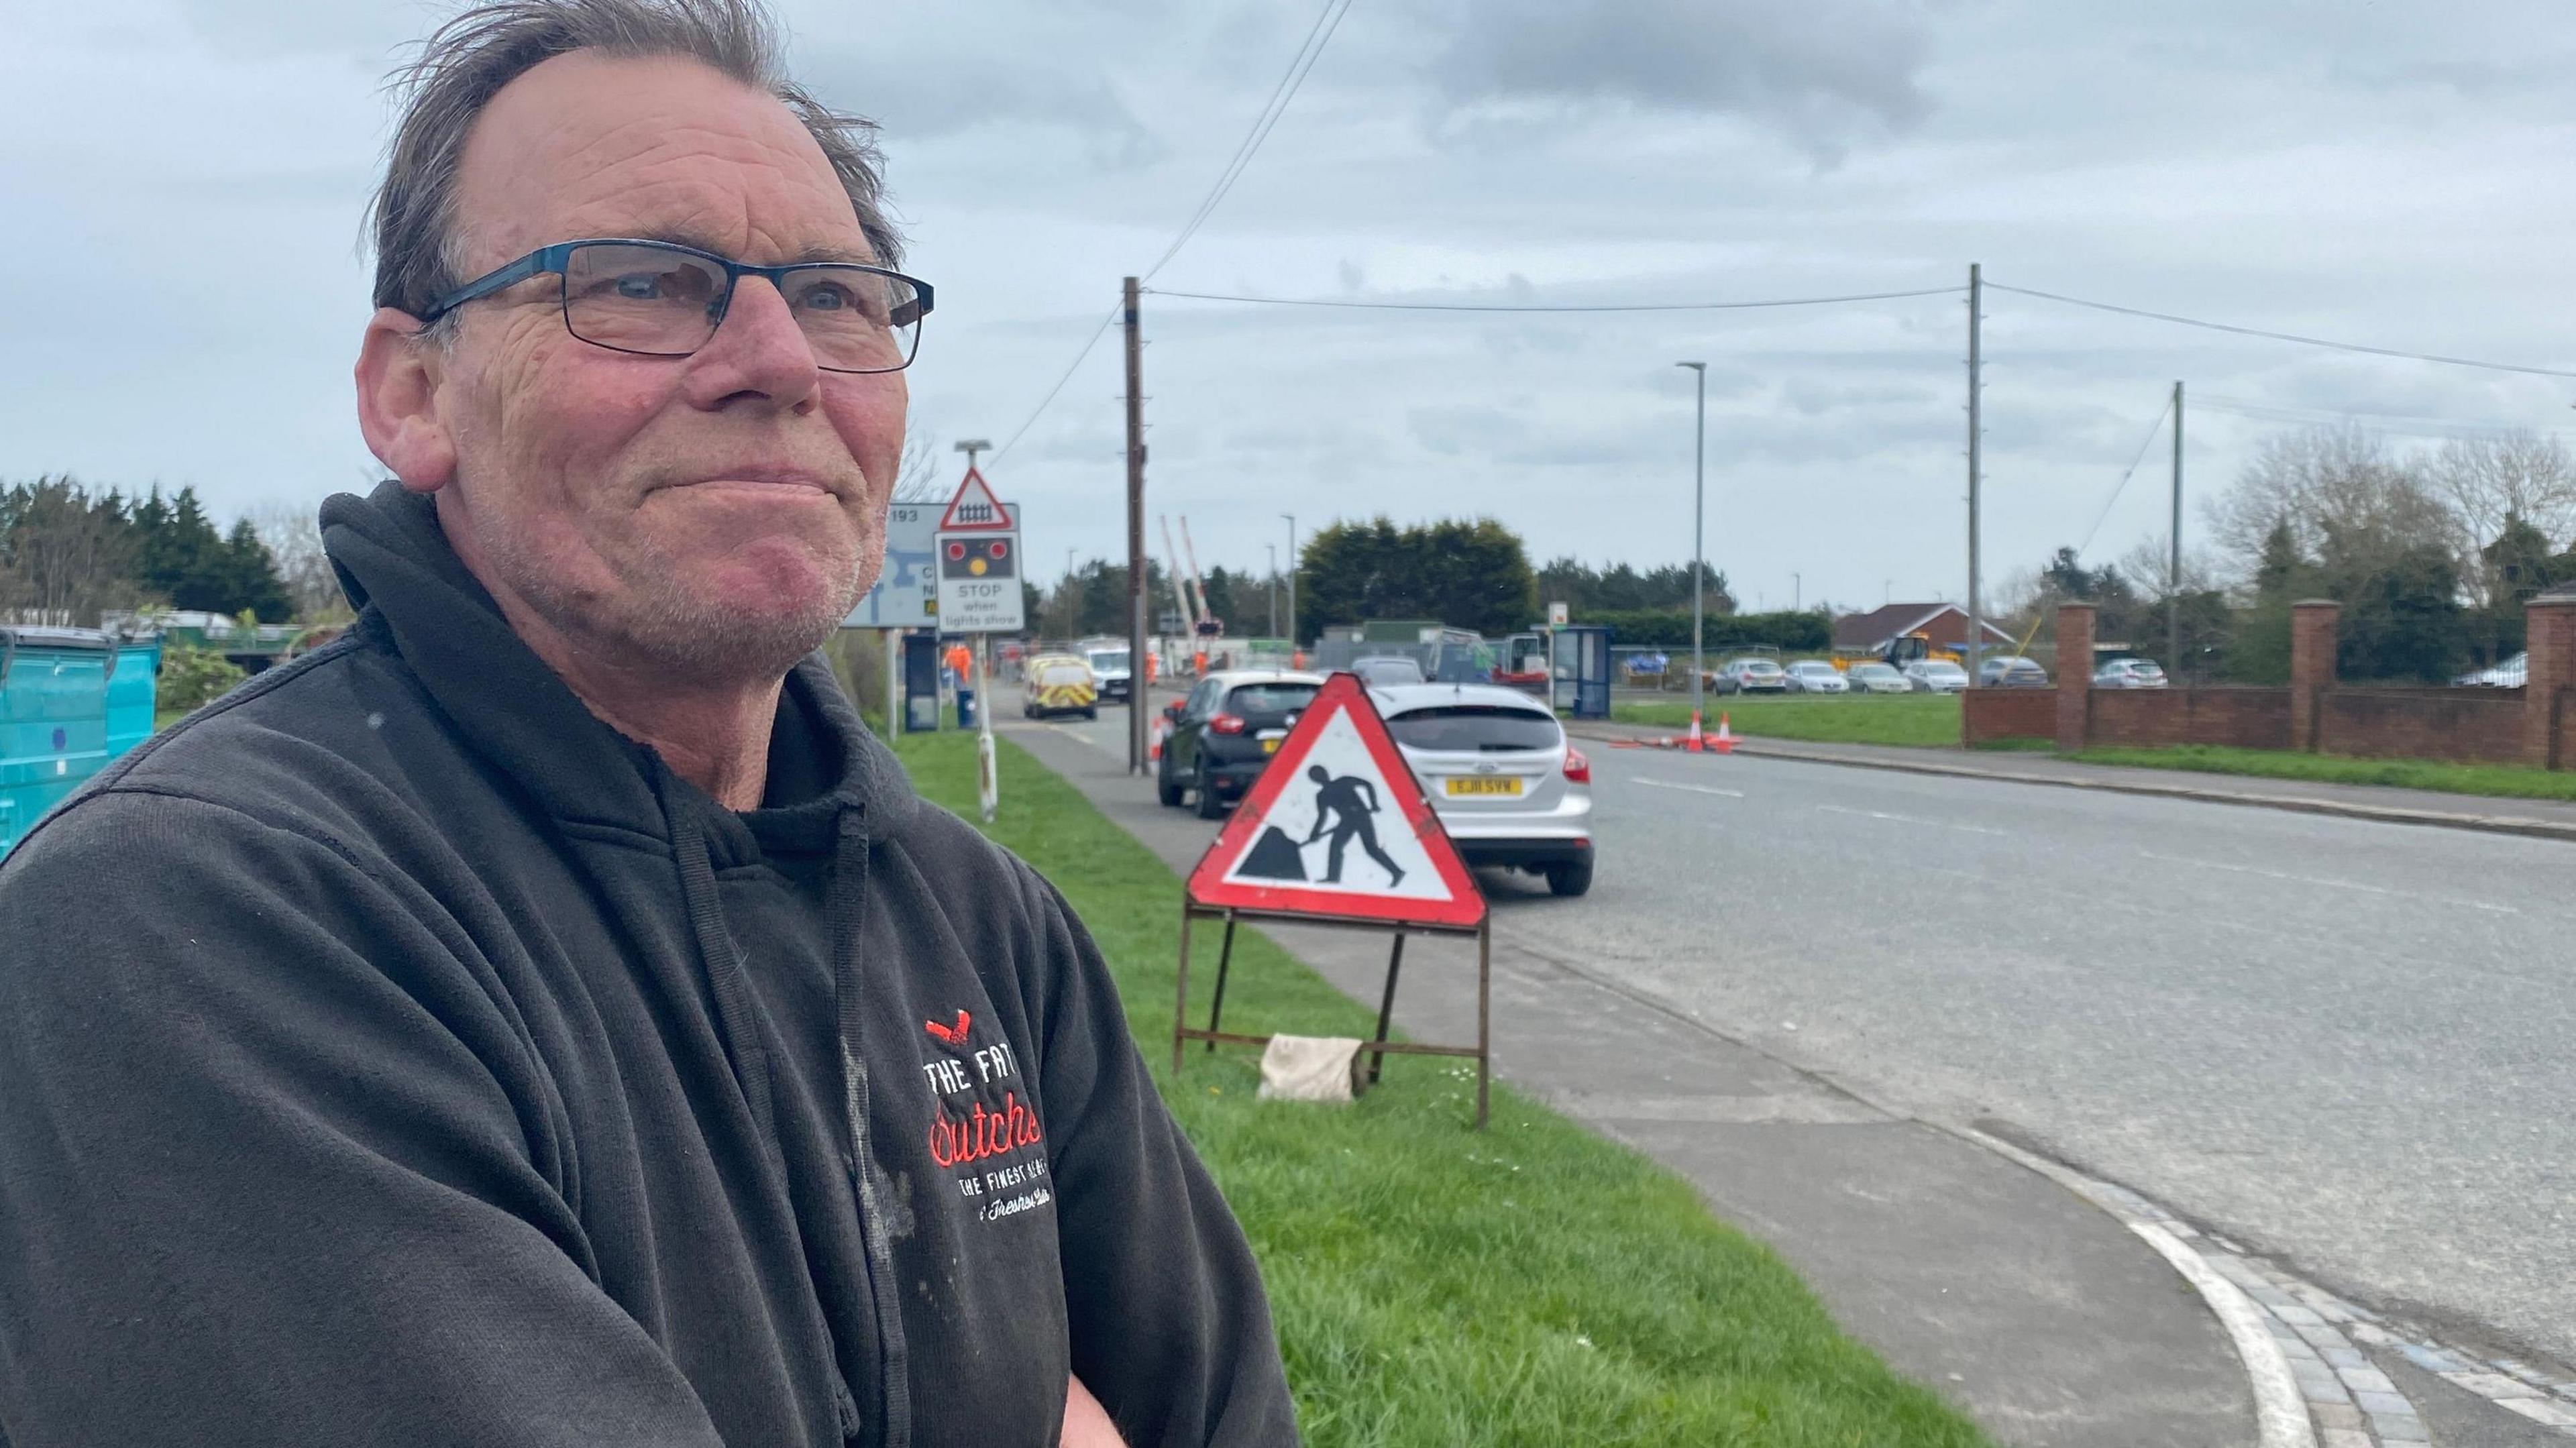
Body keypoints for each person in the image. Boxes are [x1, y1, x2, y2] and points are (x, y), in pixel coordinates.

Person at [0, 3, 1296, 1445]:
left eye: (836, 296)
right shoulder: (198, 920)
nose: (779, 359)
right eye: (639, 282)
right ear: (413, 392)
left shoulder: (981, 922)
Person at [1300, 765, 1404, 887]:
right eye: (1317, 776)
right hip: (1347, 821)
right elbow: (1322, 816)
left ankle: (1397, 872)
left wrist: (1374, 804)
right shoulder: (1322, 796)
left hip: (1361, 816)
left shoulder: (1344, 781)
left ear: (1326, 773)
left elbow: (1367, 784)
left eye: (1321, 774)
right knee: (1335, 846)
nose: (1321, 777)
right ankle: (1333, 877)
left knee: (1371, 848)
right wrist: (1315, 832)